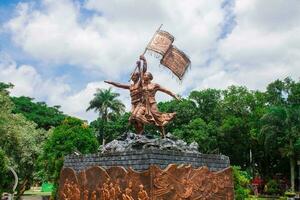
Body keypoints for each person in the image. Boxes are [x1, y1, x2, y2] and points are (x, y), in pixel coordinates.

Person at [105, 55, 147, 134]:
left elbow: (142, 73)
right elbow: (119, 85)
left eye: (134, 75)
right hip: (133, 105)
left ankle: (142, 131)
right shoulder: (130, 86)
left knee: (137, 117)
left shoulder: (140, 84)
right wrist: (111, 82)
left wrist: (142, 63)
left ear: (137, 77)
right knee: (131, 119)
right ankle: (139, 133)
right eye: (132, 76)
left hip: (140, 104)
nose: (133, 77)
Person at [133, 71, 180, 137]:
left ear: (149, 77)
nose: (144, 76)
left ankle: (163, 134)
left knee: (158, 120)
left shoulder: (155, 85)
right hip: (143, 104)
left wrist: (174, 95)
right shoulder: (142, 84)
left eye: (145, 75)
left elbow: (165, 90)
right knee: (137, 116)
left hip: (152, 104)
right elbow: (142, 70)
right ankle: (143, 130)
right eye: (143, 75)